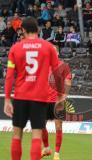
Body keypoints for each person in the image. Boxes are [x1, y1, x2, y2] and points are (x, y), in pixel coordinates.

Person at [3, 17, 61, 160]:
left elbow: (9, 76)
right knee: (36, 136)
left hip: (20, 97)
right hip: (39, 98)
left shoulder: (15, 48)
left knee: (17, 135)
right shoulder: (48, 47)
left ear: (23, 30)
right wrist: (60, 97)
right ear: (38, 30)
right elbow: (57, 73)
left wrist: (7, 99)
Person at [41, 47, 72, 160]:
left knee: (58, 126)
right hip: (44, 100)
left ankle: (56, 154)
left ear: (58, 53)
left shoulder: (63, 65)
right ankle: (47, 148)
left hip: (57, 101)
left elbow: (68, 81)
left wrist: (64, 96)